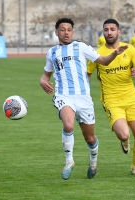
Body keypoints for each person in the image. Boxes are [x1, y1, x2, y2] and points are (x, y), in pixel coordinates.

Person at [39, 18, 128, 180]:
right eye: (62, 29)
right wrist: (42, 80)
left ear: (72, 32)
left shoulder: (81, 47)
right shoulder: (52, 52)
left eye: (69, 30)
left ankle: (93, 161)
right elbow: (46, 74)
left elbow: (102, 61)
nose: (66, 32)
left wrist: (114, 54)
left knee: (90, 137)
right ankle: (69, 161)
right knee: (68, 124)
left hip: (84, 99)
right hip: (63, 95)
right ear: (56, 32)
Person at [87, 19, 135, 177]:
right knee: (124, 134)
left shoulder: (130, 49)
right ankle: (124, 140)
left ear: (118, 32)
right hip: (111, 100)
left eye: (112, 29)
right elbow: (87, 75)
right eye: (106, 29)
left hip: (132, 97)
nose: (109, 32)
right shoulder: (97, 54)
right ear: (103, 32)